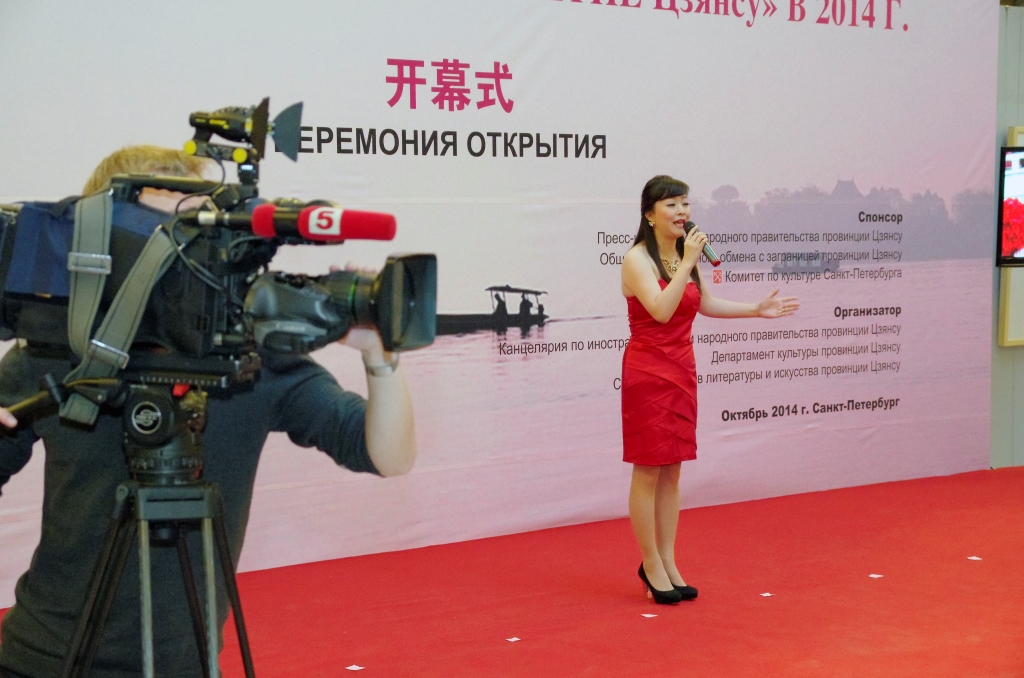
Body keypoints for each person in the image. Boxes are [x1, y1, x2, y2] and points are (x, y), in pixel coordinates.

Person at [0, 146, 417, 677]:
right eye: (149, 234)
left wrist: (381, 361)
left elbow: (386, 455)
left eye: (190, 232)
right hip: (41, 658)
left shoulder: (248, 356)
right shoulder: (58, 347)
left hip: (183, 661)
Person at [620, 175, 798, 605]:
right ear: (650, 214)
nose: (682, 212)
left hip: (681, 368)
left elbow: (703, 303)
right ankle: (650, 563)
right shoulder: (637, 259)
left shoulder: (686, 253)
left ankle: (668, 560)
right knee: (649, 469)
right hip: (648, 372)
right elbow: (661, 311)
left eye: (685, 203)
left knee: (673, 469)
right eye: (671, 205)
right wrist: (686, 263)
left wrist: (755, 309)